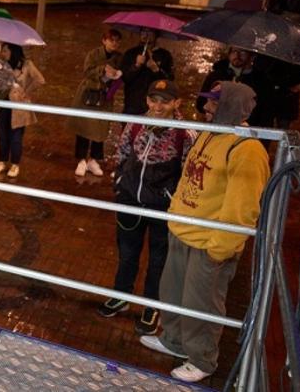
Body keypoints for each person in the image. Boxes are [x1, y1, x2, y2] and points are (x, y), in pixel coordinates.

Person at [140, 81, 270, 383]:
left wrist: (219, 249)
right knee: (172, 294)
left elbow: (243, 208)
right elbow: (189, 177)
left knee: (202, 302)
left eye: (214, 102)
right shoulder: (210, 135)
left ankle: (202, 358)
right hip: (183, 231)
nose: (207, 107)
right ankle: (173, 339)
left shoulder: (246, 148)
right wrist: (175, 217)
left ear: (229, 106)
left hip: (208, 243)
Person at [98, 79, 195, 336]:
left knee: (158, 259)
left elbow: (188, 173)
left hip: (162, 207)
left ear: (177, 103)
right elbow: (122, 155)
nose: (158, 106)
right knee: (127, 252)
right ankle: (121, 294)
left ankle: (152, 305)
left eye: (165, 101)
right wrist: (120, 186)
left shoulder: (184, 133)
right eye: (154, 100)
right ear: (147, 100)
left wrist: (175, 201)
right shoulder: (136, 124)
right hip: (131, 200)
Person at [69, 29, 123, 177]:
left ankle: (94, 159)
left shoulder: (119, 57)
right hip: (89, 95)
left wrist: (117, 75)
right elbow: (87, 71)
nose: (115, 43)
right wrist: (103, 70)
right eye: (111, 40)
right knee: (84, 126)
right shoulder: (93, 54)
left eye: (117, 40)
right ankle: (81, 159)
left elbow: (121, 75)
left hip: (105, 97)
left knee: (100, 128)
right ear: (104, 40)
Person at [0, 43, 45, 178]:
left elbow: (40, 80)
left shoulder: (26, 64)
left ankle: (15, 164)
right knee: (3, 135)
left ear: (13, 51)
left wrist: (26, 91)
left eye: (5, 50)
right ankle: (2, 161)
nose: (3, 53)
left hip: (19, 106)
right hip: (3, 103)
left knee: (16, 137)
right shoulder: (2, 64)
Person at [119, 29, 174, 116]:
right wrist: (136, 65)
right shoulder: (130, 53)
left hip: (155, 106)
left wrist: (156, 69)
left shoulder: (165, 55)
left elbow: (169, 81)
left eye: (149, 33)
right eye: (143, 32)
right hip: (133, 104)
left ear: (156, 35)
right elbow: (124, 78)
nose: (146, 35)